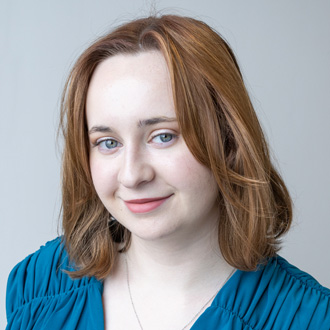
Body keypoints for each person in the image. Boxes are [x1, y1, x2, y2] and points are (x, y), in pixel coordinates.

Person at [6, 14, 330, 330]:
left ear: (229, 141)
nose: (132, 176)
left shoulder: (310, 319)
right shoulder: (40, 283)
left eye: (163, 136)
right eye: (107, 142)